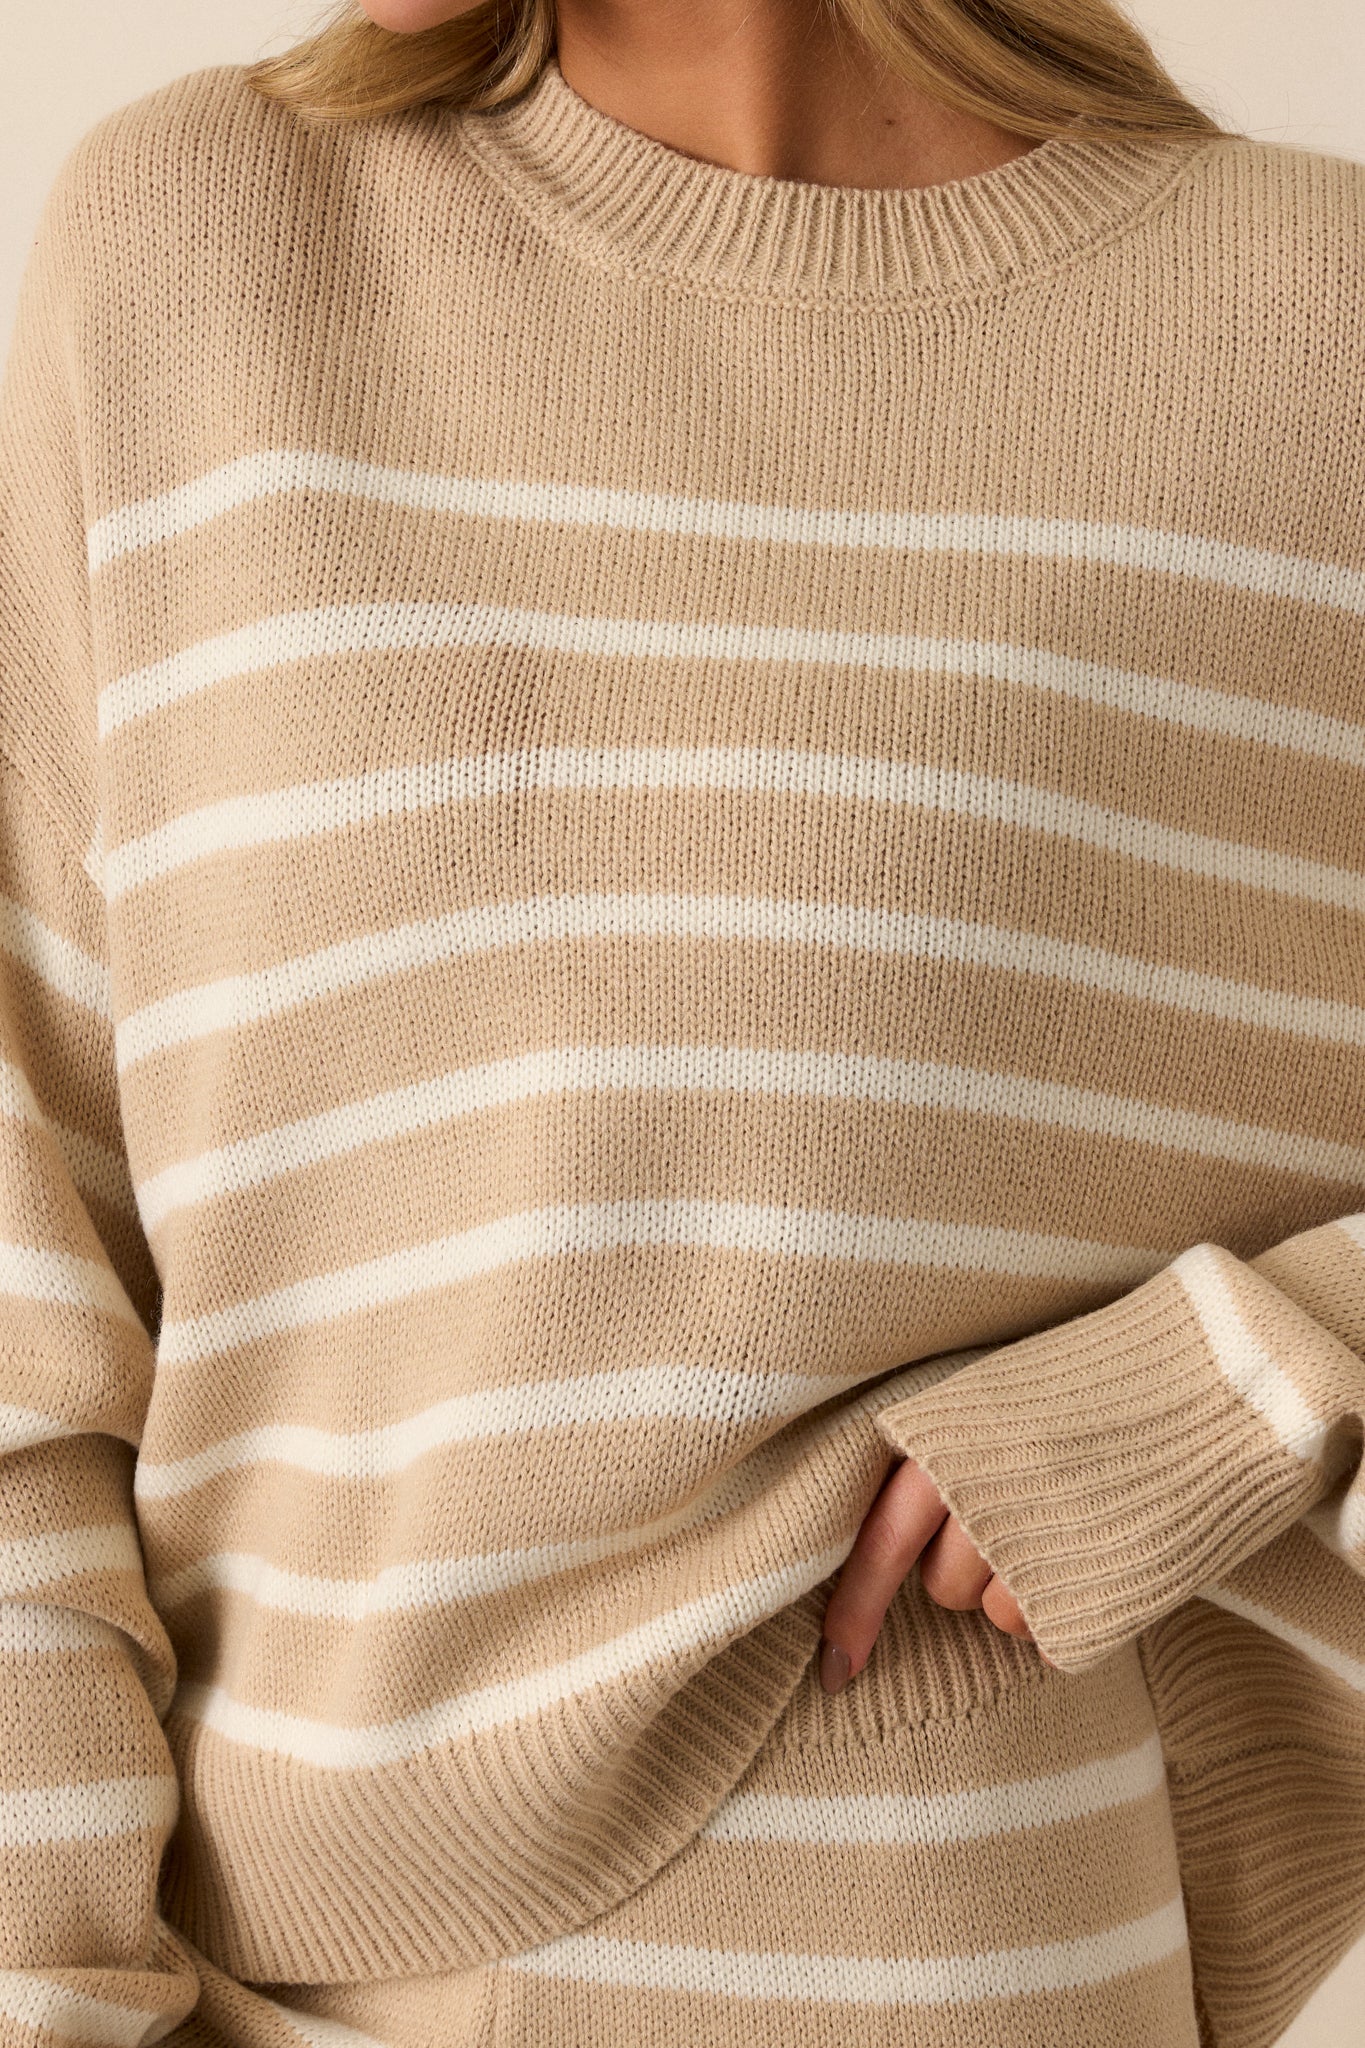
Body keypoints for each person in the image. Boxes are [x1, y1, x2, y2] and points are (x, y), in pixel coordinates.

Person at [0, 1, 1362, 2042]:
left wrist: (1271, 1361)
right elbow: (27, 1240)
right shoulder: (199, 242)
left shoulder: (1313, 324)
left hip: (970, 1961)